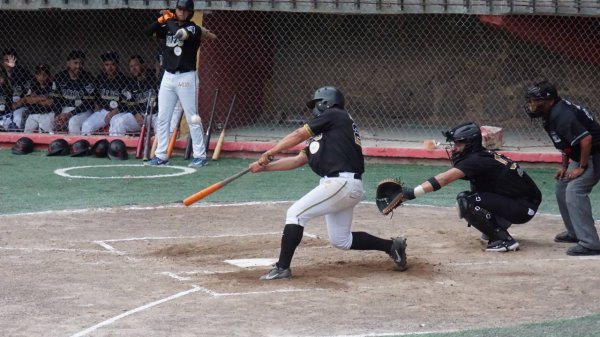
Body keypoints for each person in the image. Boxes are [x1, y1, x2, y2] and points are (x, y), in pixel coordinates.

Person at [248, 86, 408, 280]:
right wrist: (264, 167)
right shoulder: (329, 132)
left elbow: (298, 134)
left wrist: (270, 152)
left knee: (295, 214)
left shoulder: (335, 115)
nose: (313, 110)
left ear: (326, 102)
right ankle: (392, 246)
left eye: (316, 104)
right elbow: (298, 160)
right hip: (342, 186)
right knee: (341, 240)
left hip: (340, 183)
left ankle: (282, 267)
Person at [392, 122, 542, 252]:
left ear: (470, 143)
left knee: (466, 201)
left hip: (522, 207)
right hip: (520, 202)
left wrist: (412, 192)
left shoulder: (476, 160)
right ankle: (495, 230)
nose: (454, 148)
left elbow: (444, 179)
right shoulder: (481, 155)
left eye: (458, 144)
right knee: (474, 192)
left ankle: (505, 240)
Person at [524, 80, 600, 256]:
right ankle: (575, 232)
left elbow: (586, 140)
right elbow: (564, 143)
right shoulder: (551, 114)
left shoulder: (562, 114)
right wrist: (565, 166)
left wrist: (581, 167)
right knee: (562, 185)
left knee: (575, 191)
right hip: (583, 153)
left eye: (537, 100)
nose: (533, 104)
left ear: (549, 100)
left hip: (594, 154)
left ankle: (590, 243)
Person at [144, 0, 217, 167]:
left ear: (190, 12)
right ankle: (161, 156)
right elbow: (147, 32)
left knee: (192, 117)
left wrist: (168, 19)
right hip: (168, 76)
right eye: (179, 9)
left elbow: (179, 35)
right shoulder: (170, 26)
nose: (181, 12)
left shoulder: (194, 28)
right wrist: (160, 20)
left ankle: (200, 155)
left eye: (185, 10)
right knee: (163, 118)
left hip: (186, 77)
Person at [81, 51, 128, 135]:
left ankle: (114, 147)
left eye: (112, 64)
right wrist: (96, 104)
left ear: (118, 65)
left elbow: (127, 103)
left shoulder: (124, 80)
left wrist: (114, 112)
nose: (110, 68)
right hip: (104, 111)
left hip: (119, 112)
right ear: (103, 66)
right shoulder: (100, 78)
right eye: (107, 65)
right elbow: (95, 95)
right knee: (86, 125)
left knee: (115, 128)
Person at [109, 55, 157, 136]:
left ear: (143, 65)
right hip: (141, 115)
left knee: (161, 129)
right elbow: (130, 102)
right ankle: (117, 146)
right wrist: (136, 114)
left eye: (136, 65)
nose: (133, 68)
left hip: (156, 114)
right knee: (117, 121)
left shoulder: (154, 77)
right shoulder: (131, 83)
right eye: (131, 66)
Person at [53, 50, 96, 134]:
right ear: (68, 63)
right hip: (65, 108)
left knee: (73, 122)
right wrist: (57, 114)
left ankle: (76, 145)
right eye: (75, 63)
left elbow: (88, 103)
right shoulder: (59, 77)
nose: (79, 66)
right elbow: (56, 100)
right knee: (51, 121)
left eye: (81, 63)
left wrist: (69, 114)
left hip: (83, 110)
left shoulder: (88, 78)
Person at [21, 64, 58, 133]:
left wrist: (34, 99)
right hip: (33, 113)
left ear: (49, 75)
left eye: (44, 74)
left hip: (47, 113)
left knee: (45, 134)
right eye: (39, 74)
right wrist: (43, 98)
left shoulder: (52, 84)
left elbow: (50, 102)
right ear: (35, 75)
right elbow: (27, 100)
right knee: (26, 134)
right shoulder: (33, 85)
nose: (42, 77)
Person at [1, 48, 31, 130]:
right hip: (5, 106)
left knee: (17, 116)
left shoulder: (23, 74)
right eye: (5, 60)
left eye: (10, 60)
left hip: (21, 106)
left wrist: (19, 103)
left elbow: (30, 94)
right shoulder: (2, 74)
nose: (8, 63)